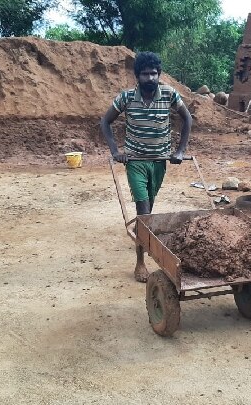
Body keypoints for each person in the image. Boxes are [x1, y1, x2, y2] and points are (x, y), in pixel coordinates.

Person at [101, 51, 192, 283]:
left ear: (159, 75)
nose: (150, 78)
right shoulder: (126, 98)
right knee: (143, 212)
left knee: (149, 208)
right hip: (136, 162)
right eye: (145, 74)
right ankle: (140, 262)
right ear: (137, 77)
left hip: (160, 161)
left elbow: (187, 119)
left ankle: (145, 238)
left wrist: (180, 151)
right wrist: (115, 152)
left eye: (154, 73)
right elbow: (105, 121)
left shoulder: (170, 94)